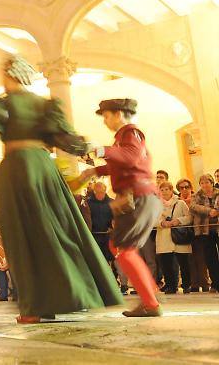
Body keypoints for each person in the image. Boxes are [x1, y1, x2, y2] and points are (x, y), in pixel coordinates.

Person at [0, 56, 123, 323]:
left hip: (18, 169)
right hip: (44, 168)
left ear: (10, 76)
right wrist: (93, 150)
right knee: (55, 233)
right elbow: (67, 139)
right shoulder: (45, 106)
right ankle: (72, 294)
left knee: (23, 240)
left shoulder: (2, 104)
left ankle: (32, 308)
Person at [77, 99, 163, 317]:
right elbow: (123, 161)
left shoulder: (131, 133)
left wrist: (100, 149)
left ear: (119, 114)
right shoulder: (123, 138)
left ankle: (151, 302)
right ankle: (149, 295)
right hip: (138, 197)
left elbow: (131, 157)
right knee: (119, 247)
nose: (105, 121)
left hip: (139, 196)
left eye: (106, 116)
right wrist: (96, 171)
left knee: (123, 249)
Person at [155, 180, 192, 294]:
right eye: (162, 190)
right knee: (166, 263)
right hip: (163, 237)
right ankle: (171, 286)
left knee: (183, 262)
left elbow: (189, 217)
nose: (164, 192)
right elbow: (152, 220)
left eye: (167, 189)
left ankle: (186, 285)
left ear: (171, 190)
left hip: (179, 236)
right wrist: (161, 223)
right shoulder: (156, 205)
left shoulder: (180, 203)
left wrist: (178, 221)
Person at [177, 178, 208, 292]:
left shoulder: (196, 198)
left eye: (187, 187)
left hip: (197, 231)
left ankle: (204, 283)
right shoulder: (177, 200)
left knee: (201, 258)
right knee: (189, 259)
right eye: (181, 188)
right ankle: (194, 284)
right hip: (183, 233)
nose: (184, 189)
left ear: (191, 188)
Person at [190, 174, 219, 291]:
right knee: (210, 258)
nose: (205, 185)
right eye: (202, 183)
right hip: (204, 231)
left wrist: (217, 211)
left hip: (217, 228)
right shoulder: (197, 195)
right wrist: (209, 211)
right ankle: (216, 283)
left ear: (212, 183)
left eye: (207, 182)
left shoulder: (218, 193)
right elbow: (193, 206)